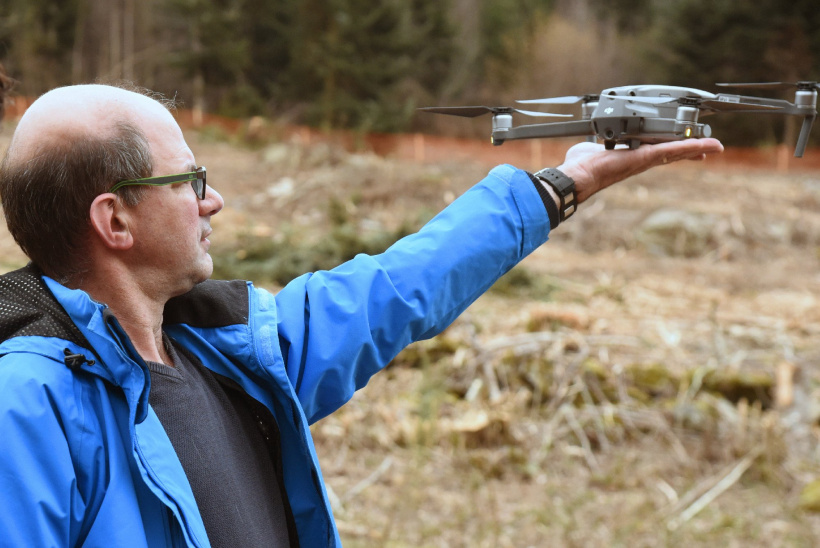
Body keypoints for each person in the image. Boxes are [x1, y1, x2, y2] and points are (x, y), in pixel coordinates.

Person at [0, 83, 724, 548]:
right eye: (190, 180)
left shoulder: (228, 355)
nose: (211, 200)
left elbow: (392, 291)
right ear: (115, 221)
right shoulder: (25, 407)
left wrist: (561, 186)